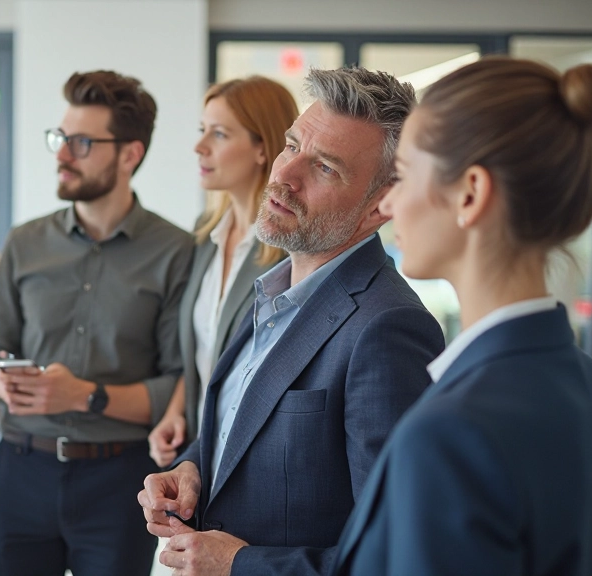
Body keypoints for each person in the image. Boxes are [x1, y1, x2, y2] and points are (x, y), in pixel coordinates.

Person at [138, 67, 446, 576]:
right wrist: (192, 467)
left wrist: (241, 564)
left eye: (324, 167)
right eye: (291, 145)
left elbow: (395, 556)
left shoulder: (389, 328)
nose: (284, 174)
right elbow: (246, 429)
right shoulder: (271, 291)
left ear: (379, 206)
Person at [329, 58, 592, 576]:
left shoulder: (451, 431)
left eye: (401, 175)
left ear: (470, 193)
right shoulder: (589, 385)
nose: (389, 202)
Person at [0, 70, 195, 576]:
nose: (61, 154)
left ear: (129, 155)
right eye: (60, 138)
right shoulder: (24, 243)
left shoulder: (176, 252)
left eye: (80, 143)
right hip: (18, 472)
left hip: (119, 483)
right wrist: (0, 381)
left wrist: (84, 395)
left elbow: (178, 382)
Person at [148, 76, 300, 468]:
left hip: (252, 457)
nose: (199, 147)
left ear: (262, 148)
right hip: (199, 450)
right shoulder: (205, 235)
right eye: (202, 131)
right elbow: (203, 348)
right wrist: (176, 411)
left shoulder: (291, 251)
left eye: (218, 134)